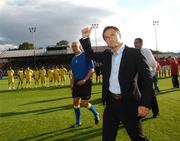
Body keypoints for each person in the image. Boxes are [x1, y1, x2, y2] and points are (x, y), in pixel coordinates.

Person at [80, 26, 153, 141]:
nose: (110, 39)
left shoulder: (134, 53)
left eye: (112, 35)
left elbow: (147, 79)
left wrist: (145, 103)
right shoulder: (107, 54)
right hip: (111, 104)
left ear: (119, 35)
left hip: (129, 104)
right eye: (106, 37)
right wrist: (85, 38)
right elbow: (89, 54)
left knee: (137, 138)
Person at [70, 41, 100, 128]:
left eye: (75, 46)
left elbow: (92, 70)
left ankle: (95, 113)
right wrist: (72, 83)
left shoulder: (86, 55)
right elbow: (73, 73)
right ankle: (78, 122)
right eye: (72, 46)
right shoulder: (73, 59)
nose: (74, 48)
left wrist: (84, 80)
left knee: (84, 103)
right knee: (75, 101)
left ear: (80, 47)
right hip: (76, 82)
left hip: (85, 81)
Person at [134, 38, 159, 118]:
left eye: (137, 43)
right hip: (138, 77)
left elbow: (153, 63)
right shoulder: (133, 52)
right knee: (139, 95)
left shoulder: (146, 51)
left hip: (147, 77)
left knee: (150, 94)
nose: (135, 44)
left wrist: (141, 64)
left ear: (141, 43)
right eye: (134, 43)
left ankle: (156, 112)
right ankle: (141, 112)